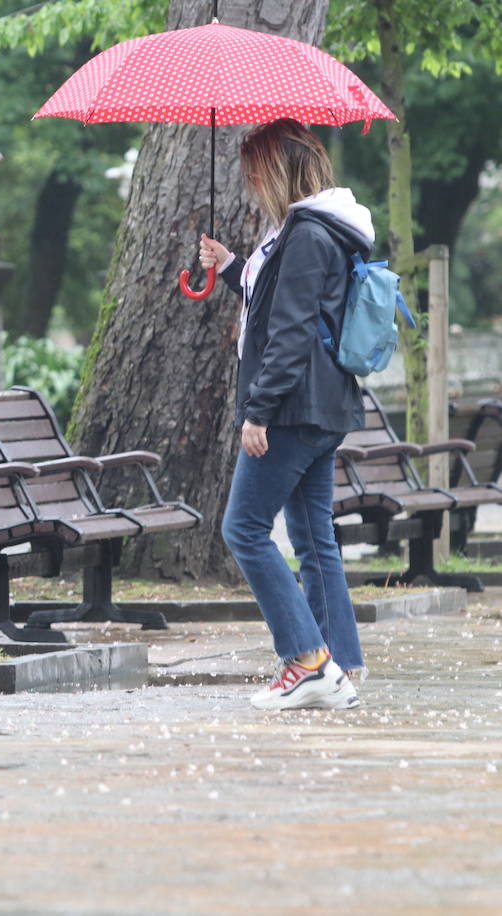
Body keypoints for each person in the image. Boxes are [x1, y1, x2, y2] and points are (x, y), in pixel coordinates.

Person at [198, 118, 368, 711]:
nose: (249, 187)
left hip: (293, 408)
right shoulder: (323, 229)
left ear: (276, 171)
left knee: (242, 528)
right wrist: (229, 267)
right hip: (325, 406)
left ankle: (307, 660)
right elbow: (283, 304)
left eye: (254, 174)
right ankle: (340, 664)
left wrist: (257, 411)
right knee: (314, 538)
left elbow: (290, 333)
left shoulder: (305, 235)